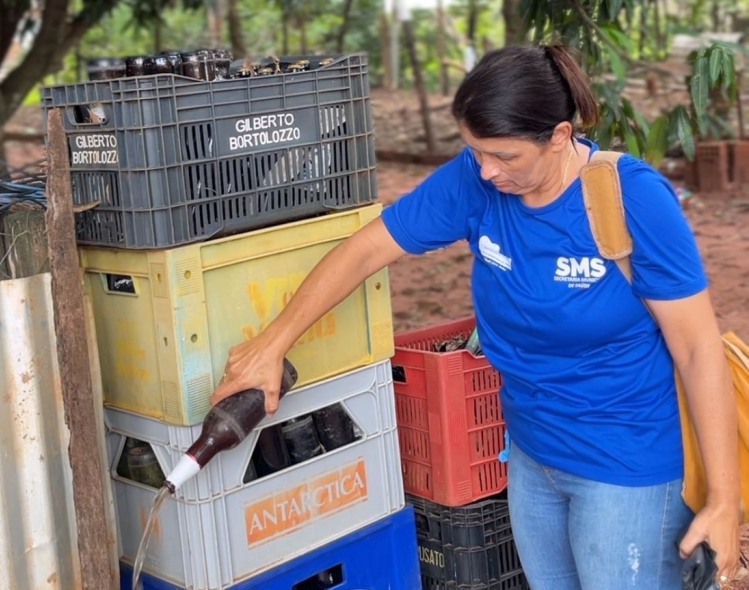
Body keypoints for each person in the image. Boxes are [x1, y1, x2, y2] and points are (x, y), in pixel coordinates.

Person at [210, 44, 740, 589]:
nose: (486, 171)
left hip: (626, 465)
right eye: (476, 150)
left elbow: (698, 348)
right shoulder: (476, 178)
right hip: (533, 457)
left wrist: (725, 500)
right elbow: (366, 249)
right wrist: (272, 344)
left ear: (559, 136)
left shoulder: (632, 198)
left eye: (505, 156)